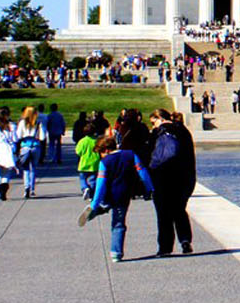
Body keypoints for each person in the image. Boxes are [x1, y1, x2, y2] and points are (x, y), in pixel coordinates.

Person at [80, 132, 148, 263]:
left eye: (100, 153)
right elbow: (142, 172)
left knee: (112, 214)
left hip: (109, 194)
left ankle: (100, 208)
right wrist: (149, 188)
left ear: (105, 150)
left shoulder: (105, 162)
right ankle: (116, 252)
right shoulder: (131, 154)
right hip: (125, 194)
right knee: (119, 221)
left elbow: (100, 185)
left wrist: (93, 203)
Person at [147, 109, 196, 257]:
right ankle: (185, 240)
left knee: (163, 214)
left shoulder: (159, 133)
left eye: (154, 122)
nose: (153, 126)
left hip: (161, 176)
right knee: (179, 210)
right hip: (183, 177)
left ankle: (165, 247)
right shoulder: (184, 131)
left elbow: (151, 155)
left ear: (160, 119)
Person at [14, 106, 47, 197]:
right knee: (33, 168)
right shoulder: (38, 123)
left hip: (25, 147)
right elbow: (42, 137)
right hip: (35, 146)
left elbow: (18, 136)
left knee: (25, 168)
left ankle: (26, 187)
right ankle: (32, 188)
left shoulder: (22, 123)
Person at [75, 118, 102, 211]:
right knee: (93, 180)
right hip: (95, 163)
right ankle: (91, 193)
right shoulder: (97, 140)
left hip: (84, 163)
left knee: (82, 178)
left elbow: (78, 151)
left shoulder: (82, 141)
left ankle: (85, 188)